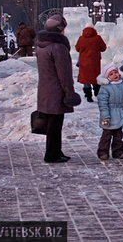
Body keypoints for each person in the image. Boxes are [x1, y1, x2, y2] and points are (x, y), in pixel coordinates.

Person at [35, 14, 81, 163]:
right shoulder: (58, 47)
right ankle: (52, 154)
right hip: (56, 91)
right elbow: (64, 74)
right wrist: (70, 94)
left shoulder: (41, 45)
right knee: (55, 124)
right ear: (59, 29)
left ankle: (56, 151)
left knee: (52, 124)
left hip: (45, 89)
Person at [96, 64, 123, 160]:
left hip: (121, 115)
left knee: (118, 136)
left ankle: (118, 152)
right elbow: (103, 103)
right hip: (109, 116)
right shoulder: (105, 87)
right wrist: (105, 116)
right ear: (107, 77)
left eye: (115, 72)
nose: (115, 75)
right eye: (111, 74)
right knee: (106, 136)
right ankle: (103, 152)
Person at [76, 25, 107, 102]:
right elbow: (103, 48)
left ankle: (88, 96)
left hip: (84, 62)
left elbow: (77, 48)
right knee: (95, 78)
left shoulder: (81, 39)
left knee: (86, 80)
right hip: (95, 62)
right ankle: (97, 93)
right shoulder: (98, 38)